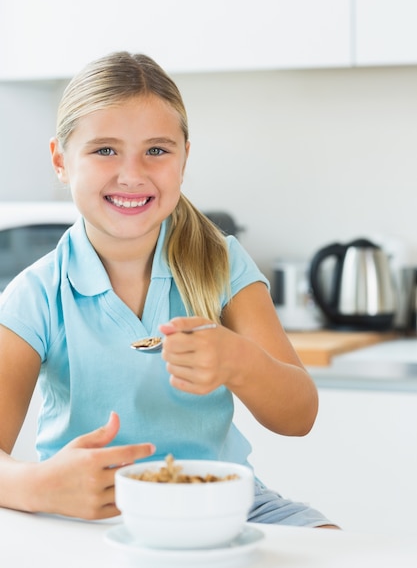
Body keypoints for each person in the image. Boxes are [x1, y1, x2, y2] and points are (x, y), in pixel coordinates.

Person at [0, 52, 337, 527]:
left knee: (331, 546)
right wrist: (39, 485)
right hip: (88, 513)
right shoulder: (35, 295)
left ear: (184, 157)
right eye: (105, 150)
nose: (132, 174)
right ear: (60, 160)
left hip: (225, 503)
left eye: (156, 150)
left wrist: (240, 362)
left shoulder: (223, 264)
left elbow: (299, 416)